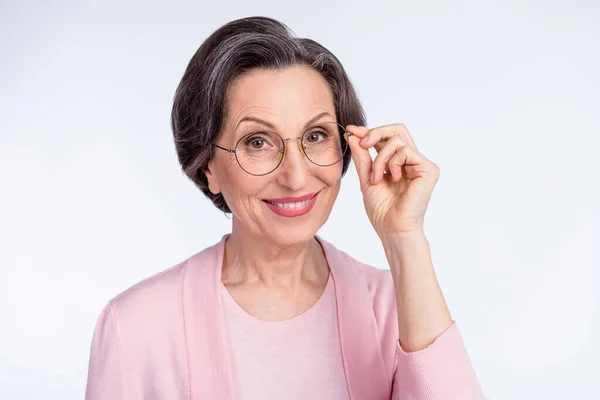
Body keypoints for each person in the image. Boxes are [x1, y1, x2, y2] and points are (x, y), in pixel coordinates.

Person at [85, 16, 486, 399]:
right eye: (257, 142)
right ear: (208, 166)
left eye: (315, 135)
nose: (295, 176)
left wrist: (405, 238)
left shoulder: (397, 305)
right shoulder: (136, 327)